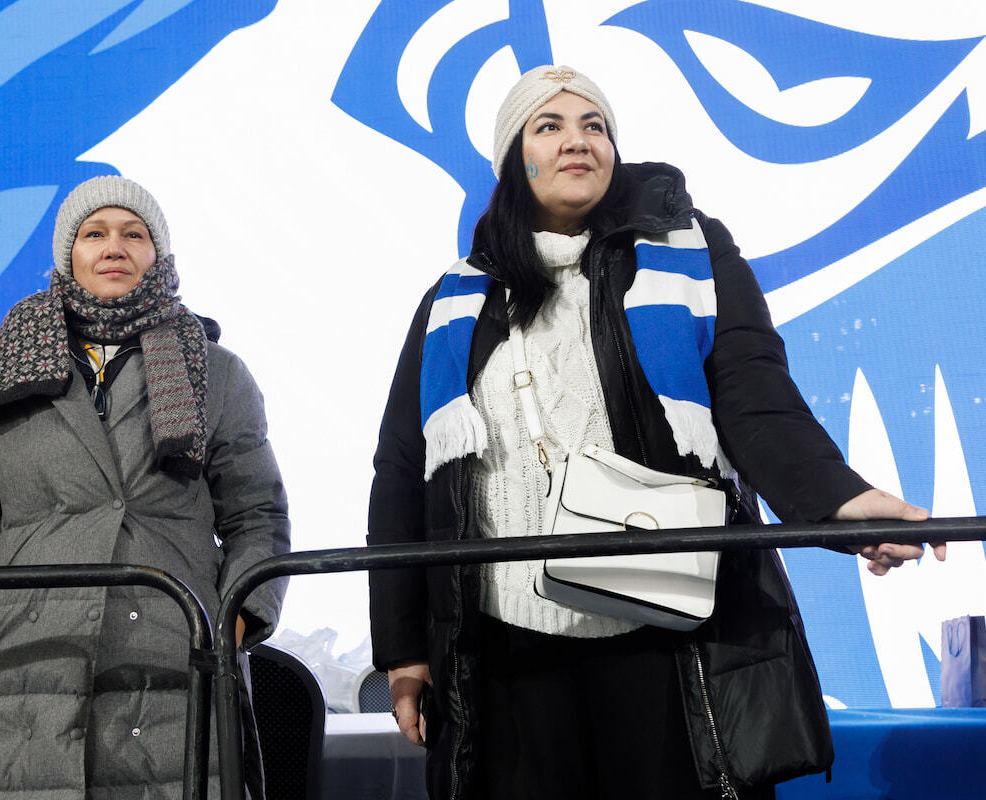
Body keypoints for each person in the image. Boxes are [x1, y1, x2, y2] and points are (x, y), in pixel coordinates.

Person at [367, 65, 944, 800]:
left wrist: (840, 503)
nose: (578, 141)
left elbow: (754, 395)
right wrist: (405, 648)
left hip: (663, 631)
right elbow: (402, 467)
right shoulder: (451, 302)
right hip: (508, 651)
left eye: (595, 126)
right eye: (550, 126)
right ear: (515, 158)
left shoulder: (695, 255)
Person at [0, 176, 290, 799]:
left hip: (174, 658)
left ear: (159, 256)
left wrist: (235, 619)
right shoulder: (10, 368)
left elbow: (258, 515)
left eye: (134, 234)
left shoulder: (218, 371)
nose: (114, 247)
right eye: (94, 234)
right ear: (70, 255)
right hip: (22, 665)